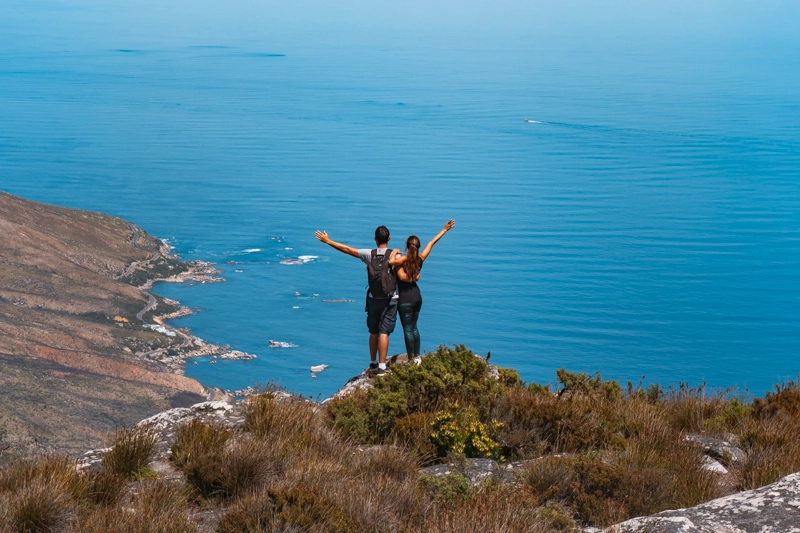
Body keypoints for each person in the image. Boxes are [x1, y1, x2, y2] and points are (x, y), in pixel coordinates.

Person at [315, 225, 397, 374]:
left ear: (375, 239)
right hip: (390, 299)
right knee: (384, 332)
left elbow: (347, 249)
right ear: (389, 238)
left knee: (374, 331)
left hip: (373, 298)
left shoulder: (369, 254)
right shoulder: (395, 256)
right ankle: (382, 366)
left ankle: (373, 363)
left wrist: (328, 241)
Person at [389, 220, 455, 364]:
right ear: (418, 247)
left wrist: (394, 252)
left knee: (407, 329)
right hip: (417, 297)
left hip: (405, 299)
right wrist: (444, 229)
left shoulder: (403, 259)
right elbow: (432, 243)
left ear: (407, 246)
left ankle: (411, 358)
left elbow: (391, 262)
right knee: (414, 327)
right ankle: (417, 356)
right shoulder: (420, 259)